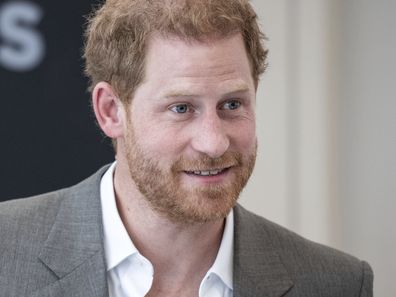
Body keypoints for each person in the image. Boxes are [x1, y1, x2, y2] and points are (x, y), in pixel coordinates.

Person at [0, 0, 373, 296]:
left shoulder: (335, 283)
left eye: (232, 105)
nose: (213, 142)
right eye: (181, 108)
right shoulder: (6, 252)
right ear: (111, 111)